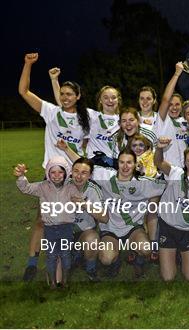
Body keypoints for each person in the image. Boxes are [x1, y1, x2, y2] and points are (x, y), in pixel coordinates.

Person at [18, 53, 90, 282]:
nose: (65, 97)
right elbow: (24, 92)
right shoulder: (51, 112)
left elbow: (84, 154)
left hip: (73, 179)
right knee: (43, 220)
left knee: (74, 221)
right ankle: (32, 263)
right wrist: (28, 65)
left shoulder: (85, 120)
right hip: (51, 179)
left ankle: (73, 256)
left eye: (70, 94)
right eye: (63, 93)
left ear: (78, 97)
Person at [92, 149, 166, 278]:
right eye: (122, 162)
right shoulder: (105, 176)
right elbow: (82, 165)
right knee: (106, 258)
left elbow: (169, 184)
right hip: (110, 229)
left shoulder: (143, 183)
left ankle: (138, 260)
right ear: (117, 163)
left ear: (135, 164)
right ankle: (115, 262)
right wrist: (66, 149)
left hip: (133, 229)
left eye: (129, 163)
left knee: (146, 249)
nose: (125, 166)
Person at [14, 157, 81, 288]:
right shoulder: (42, 187)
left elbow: (79, 199)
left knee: (65, 255)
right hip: (50, 228)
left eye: (60, 172)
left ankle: (65, 281)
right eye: (52, 172)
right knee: (51, 256)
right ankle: (52, 283)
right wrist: (21, 177)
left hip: (66, 228)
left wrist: (78, 202)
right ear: (48, 174)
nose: (56, 176)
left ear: (66, 173)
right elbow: (26, 188)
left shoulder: (71, 188)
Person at [154, 139, 189, 281]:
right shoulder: (176, 173)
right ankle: (175, 254)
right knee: (168, 278)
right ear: (184, 162)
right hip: (168, 227)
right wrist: (159, 148)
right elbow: (159, 162)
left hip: (188, 231)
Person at [50, 71, 121, 160]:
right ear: (100, 100)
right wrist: (54, 80)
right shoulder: (92, 116)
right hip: (95, 167)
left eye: (113, 97)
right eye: (105, 97)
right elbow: (63, 103)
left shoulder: (124, 120)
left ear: (118, 99)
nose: (110, 100)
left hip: (116, 165)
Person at [68, 157, 109, 282]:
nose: (79, 176)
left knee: (92, 239)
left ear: (90, 176)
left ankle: (90, 268)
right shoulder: (62, 186)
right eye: (76, 171)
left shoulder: (93, 190)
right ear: (71, 171)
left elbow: (104, 218)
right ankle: (73, 255)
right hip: (64, 231)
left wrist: (85, 205)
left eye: (84, 173)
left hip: (84, 232)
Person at [154, 61, 188, 168]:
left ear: (182, 105)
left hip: (186, 170)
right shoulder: (162, 120)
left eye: (177, 104)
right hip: (167, 170)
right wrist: (177, 74)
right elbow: (165, 99)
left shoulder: (186, 122)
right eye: (171, 105)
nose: (174, 107)